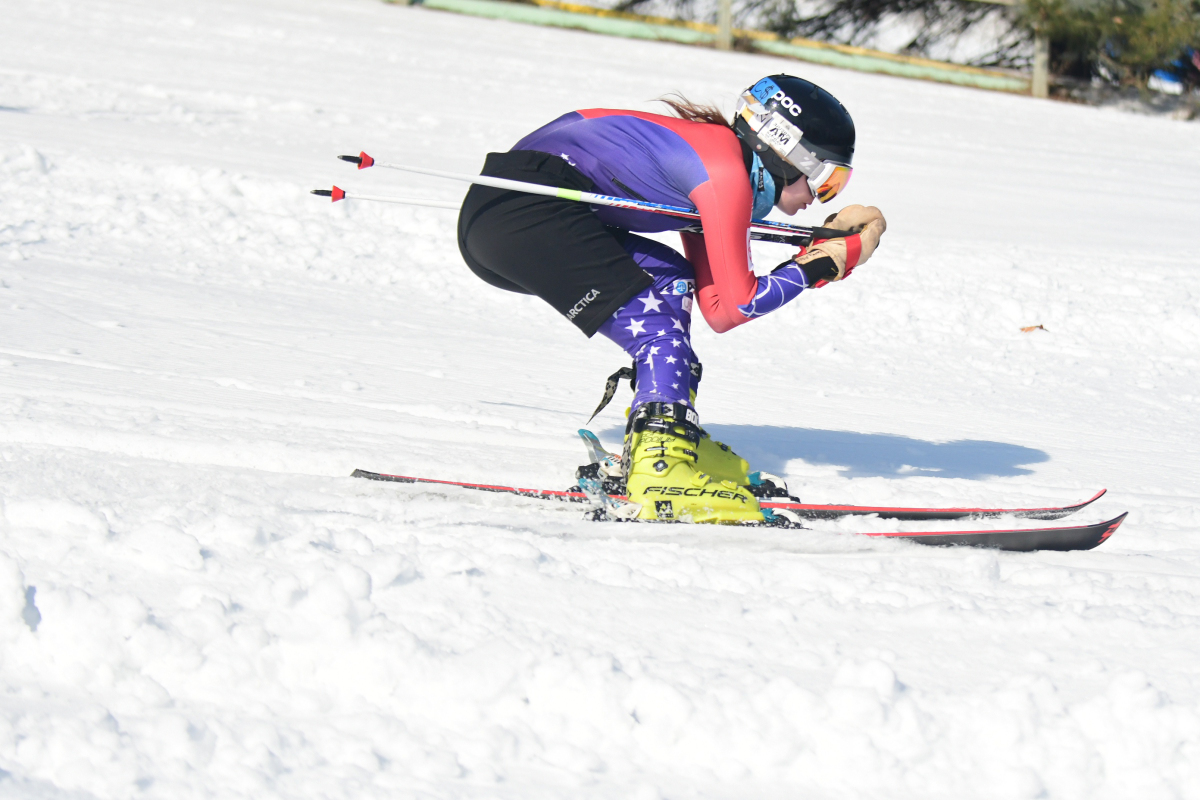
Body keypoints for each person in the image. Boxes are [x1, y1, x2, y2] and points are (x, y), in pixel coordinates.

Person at [457, 75, 887, 524]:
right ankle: (660, 468)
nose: (820, 198)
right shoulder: (724, 173)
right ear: (786, 153)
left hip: (505, 213)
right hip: (522, 214)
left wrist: (818, 256)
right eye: (826, 179)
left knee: (671, 280)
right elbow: (739, 305)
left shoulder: (717, 159)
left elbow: (718, 308)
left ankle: (664, 440)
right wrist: (823, 263)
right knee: (659, 337)